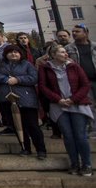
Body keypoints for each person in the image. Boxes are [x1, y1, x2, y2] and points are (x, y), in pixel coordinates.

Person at [39, 43, 93, 175]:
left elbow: (85, 85)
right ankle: (74, 163)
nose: (66, 54)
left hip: (77, 105)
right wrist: (58, 100)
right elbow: (43, 86)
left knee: (80, 136)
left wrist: (73, 99)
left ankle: (86, 164)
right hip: (59, 106)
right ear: (53, 54)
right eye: (62, 52)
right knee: (68, 136)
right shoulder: (45, 68)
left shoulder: (74, 66)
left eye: (65, 52)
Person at [0, 44, 46, 158]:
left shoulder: (27, 65)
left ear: (20, 54)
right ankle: (25, 147)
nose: (13, 54)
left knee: (32, 125)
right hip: (7, 99)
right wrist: (5, 79)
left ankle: (41, 149)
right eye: (10, 52)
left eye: (16, 52)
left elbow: (34, 78)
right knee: (17, 125)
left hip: (26, 99)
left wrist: (18, 79)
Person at [66, 24, 96, 106]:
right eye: (73, 32)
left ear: (86, 33)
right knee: (90, 106)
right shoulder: (68, 49)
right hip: (82, 83)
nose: (74, 33)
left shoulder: (94, 46)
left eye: (77, 31)